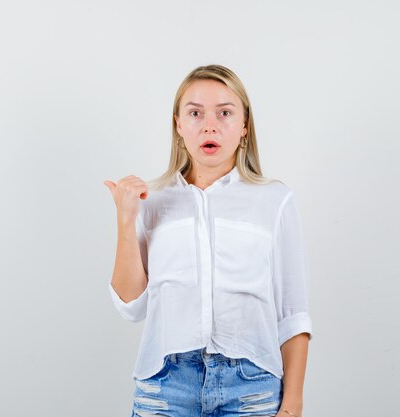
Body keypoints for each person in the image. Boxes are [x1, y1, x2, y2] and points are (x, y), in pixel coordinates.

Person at [103, 64, 313, 417]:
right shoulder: (150, 200)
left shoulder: (274, 200)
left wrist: (292, 405)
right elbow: (131, 306)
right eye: (195, 113)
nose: (209, 125)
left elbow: (293, 315)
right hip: (166, 387)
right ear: (179, 125)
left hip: (251, 388)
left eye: (225, 113)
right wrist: (126, 220)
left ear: (245, 126)